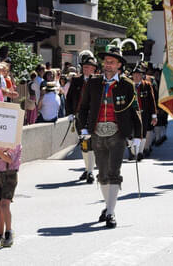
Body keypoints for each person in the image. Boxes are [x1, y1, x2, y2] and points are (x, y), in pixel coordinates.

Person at [77, 46, 142, 228]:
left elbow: (134, 110)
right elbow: (83, 108)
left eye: (112, 62)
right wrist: (83, 128)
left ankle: (111, 213)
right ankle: (108, 206)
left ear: (119, 65)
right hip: (97, 133)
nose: (108, 65)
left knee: (114, 172)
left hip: (118, 134)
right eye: (106, 62)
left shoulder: (127, 85)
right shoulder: (93, 83)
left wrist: (137, 136)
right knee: (103, 174)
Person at [66, 55, 98, 184]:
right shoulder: (76, 80)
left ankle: (90, 171)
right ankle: (88, 169)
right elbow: (69, 98)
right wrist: (69, 113)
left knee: (92, 143)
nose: (86, 69)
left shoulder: (98, 81)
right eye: (84, 67)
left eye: (89, 67)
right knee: (84, 143)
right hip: (80, 115)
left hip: (94, 116)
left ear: (94, 69)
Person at [0, 144, 22, 247]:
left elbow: (9, 159)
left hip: (10, 175)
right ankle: (0, 234)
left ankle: (9, 232)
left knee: (4, 205)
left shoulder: (16, 143)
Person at [129, 64, 157, 161]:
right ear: (132, 76)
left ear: (142, 76)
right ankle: (133, 151)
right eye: (135, 74)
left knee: (143, 133)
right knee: (131, 133)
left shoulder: (147, 85)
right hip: (131, 113)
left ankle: (140, 152)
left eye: (139, 74)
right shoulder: (128, 85)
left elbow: (152, 101)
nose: (137, 76)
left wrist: (154, 115)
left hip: (144, 113)